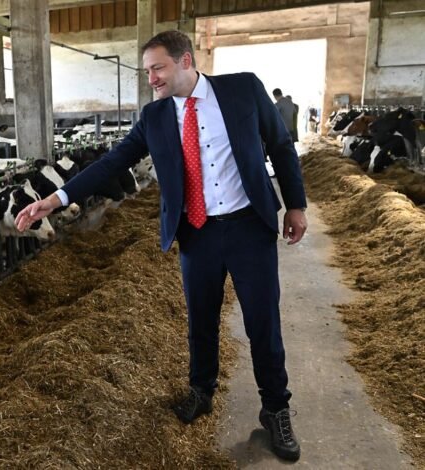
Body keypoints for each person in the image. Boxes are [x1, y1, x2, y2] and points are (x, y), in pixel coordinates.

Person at [15, 30, 307, 462]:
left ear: (185, 61)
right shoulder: (154, 117)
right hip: (197, 232)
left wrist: (295, 205)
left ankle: (276, 408)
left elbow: (280, 145)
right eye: (147, 70)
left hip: (249, 226)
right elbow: (112, 163)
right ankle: (201, 390)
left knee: (263, 322)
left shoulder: (243, 89)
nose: (151, 78)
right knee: (200, 320)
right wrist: (54, 200)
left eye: (158, 68)